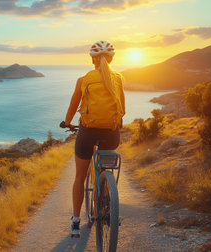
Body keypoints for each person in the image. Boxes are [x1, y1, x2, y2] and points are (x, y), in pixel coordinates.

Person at [61, 40, 125, 238]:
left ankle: (75, 221)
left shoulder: (84, 79)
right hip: (111, 133)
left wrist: (67, 122)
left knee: (80, 176)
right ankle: (102, 208)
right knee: (103, 170)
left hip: (87, 132)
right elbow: (122, 109)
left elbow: (73, 106)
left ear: (92, 59)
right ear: (112, 58)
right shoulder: (118, 78)